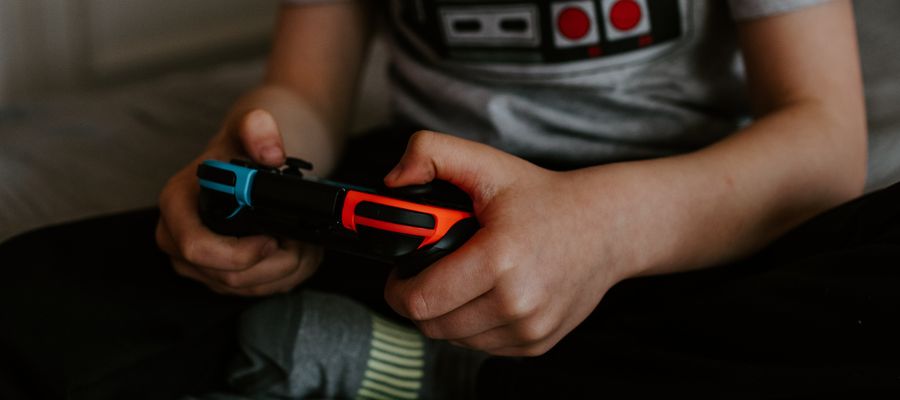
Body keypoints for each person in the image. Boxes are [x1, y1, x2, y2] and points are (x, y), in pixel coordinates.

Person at [2, 0, 899, 398]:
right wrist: (261, 168)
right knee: (29, 289)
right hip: (416, 234)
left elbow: (822, 145)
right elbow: (302, 93)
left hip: (689, 223)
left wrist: (605, 230)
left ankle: (441, 374)